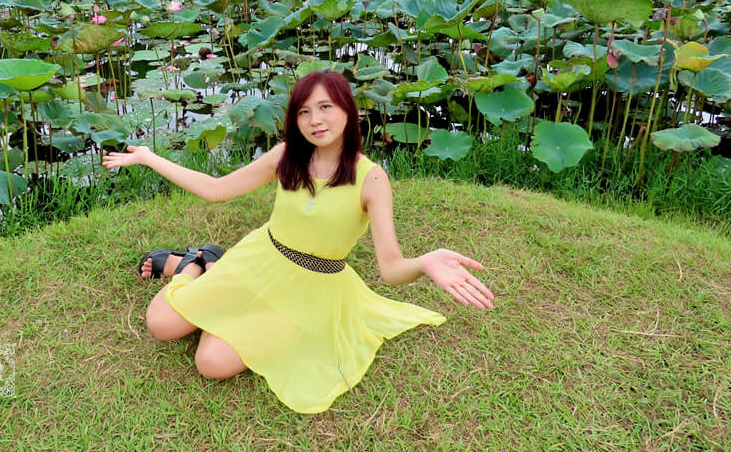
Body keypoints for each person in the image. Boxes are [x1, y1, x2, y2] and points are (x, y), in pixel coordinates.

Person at [102, 69, 495, 413]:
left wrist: (424, 262)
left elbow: (391, 270)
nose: (314, 120)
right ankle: (193, 266)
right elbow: (215, 189)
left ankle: (208, 271)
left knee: (211, 364)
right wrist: (150, 158)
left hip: (312, 289)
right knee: (159, 324)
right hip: (260, 261)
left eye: (325, 107)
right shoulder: (286, 156)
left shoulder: (371, 179)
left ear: (347, 110)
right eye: (304, 111)